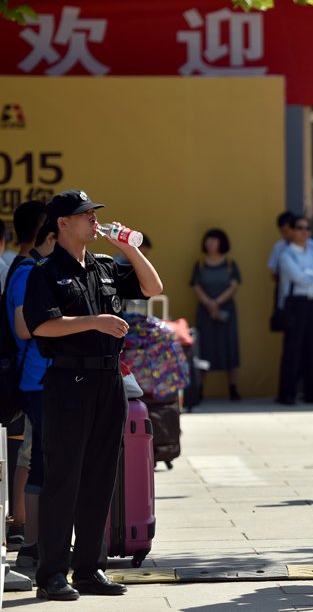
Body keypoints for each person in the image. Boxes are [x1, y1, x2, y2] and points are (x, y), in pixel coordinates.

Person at [23, 189, 163, 600]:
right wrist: (95, 322)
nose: (93, 220)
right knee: (63, 478)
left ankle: (89, 569)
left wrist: (129, 248)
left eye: (93, 214)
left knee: (101, 477)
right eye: (84, 215)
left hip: (108, 383)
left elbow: (152, 287)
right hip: (69, 383)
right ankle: (51, 574)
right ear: (63, 223)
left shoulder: (103, 266)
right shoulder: (45, 273)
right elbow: (42, 327)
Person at [7, 200, 55, 569]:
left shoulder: (38, 268)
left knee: (41, 460)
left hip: (47, 378)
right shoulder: (27, 271)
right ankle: (31, 546)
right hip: (37, 380)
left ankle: (37, 542)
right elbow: (24, 329)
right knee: (37, 462)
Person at [276, 216, 313, 405]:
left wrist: (311, 273)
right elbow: (299, 278)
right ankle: (287, 393)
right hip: (295, 304)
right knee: (293, 349)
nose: (304, 232)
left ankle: (312, 392)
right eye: (299, 228)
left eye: (307, 228)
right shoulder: (286, 254)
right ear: (291, 231)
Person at [191, 228, 242, 401]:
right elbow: (196, 286)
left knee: (229, 346)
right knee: (204, 347)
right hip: (205, 313)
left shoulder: (229, 263)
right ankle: (200, 389)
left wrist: (217, 303)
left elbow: (234, 286)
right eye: (208, 240)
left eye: (214, 240)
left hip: (226, 311)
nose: (210, 243)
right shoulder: (200, 264)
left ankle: (233, 388)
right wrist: (209, 303)